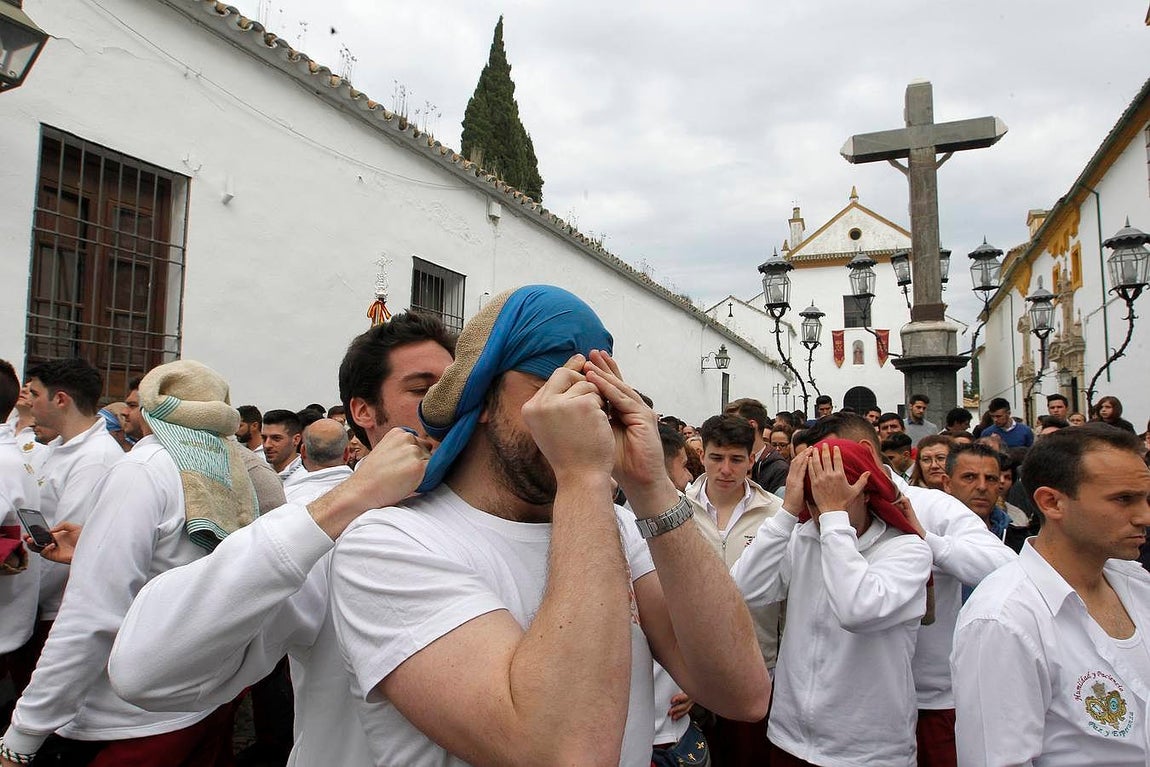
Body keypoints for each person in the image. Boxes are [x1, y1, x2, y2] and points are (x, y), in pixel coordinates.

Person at [328, 286, 769, 765]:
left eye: (596, 391)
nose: (585, 409)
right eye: (555, 385)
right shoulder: (388, 545)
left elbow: (740, 692)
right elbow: (564, 753)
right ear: (483, 399)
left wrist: (651, 489)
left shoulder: (616, 524)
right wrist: (582, 477)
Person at [109, 312, 456, 767]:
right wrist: (348, 500)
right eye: (422, 390)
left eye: (455, 387)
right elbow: (144, 671)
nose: (446, 405)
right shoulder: (328, 527)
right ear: (363, 411)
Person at [1, 361, 257, 766]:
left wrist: (24, 733)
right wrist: (95, 544)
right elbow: (180, 557)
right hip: (198, 693)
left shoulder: (143, 467)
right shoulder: (222, 468)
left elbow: (92, 614)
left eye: (139, 404)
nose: (129, 412)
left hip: (133, 713)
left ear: (157, 408)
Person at [789, 414, 1014, 767]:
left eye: (831, 458)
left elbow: (1004, 567)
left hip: (932, 695)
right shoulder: (819, 515)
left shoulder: (933, 506)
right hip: (857, 707)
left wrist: (927, 542)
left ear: (862, 451)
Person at [952, 424, 1150, 766]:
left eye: (1146, 498)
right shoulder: (1004, 620)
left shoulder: (1137, 583)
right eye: (1123, 499)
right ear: (1052, 502)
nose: (1144, 516)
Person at [732, 434, 932, 766]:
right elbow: (744, 588)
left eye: (831, 497)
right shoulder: (804, 537)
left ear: (865, 493)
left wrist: (834, 519)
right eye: (812, 501)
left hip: (867, 750)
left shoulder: (907, 551)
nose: (819, 510)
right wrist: (786, 515)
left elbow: (856, 610)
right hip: (790, 738)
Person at [684, 413, 782, 766]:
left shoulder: (776, 514)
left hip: (758, 666)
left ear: (751, 460)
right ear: (703, 457)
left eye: (736, 459)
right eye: (716, 458)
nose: (726, 469)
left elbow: (786, 597)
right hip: (692, 671)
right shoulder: (677, 510)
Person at [726, 397, 788, 494]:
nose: (726, 429)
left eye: (732, 424)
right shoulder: (726, 461)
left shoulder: (778, 468)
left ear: (752, 425)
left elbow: (774, 507)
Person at [262, 409, 304, 480]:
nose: (267, 445)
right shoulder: (259, 472)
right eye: (264, 438)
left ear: (296, 440)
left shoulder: (306, 476)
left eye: (276, 438)